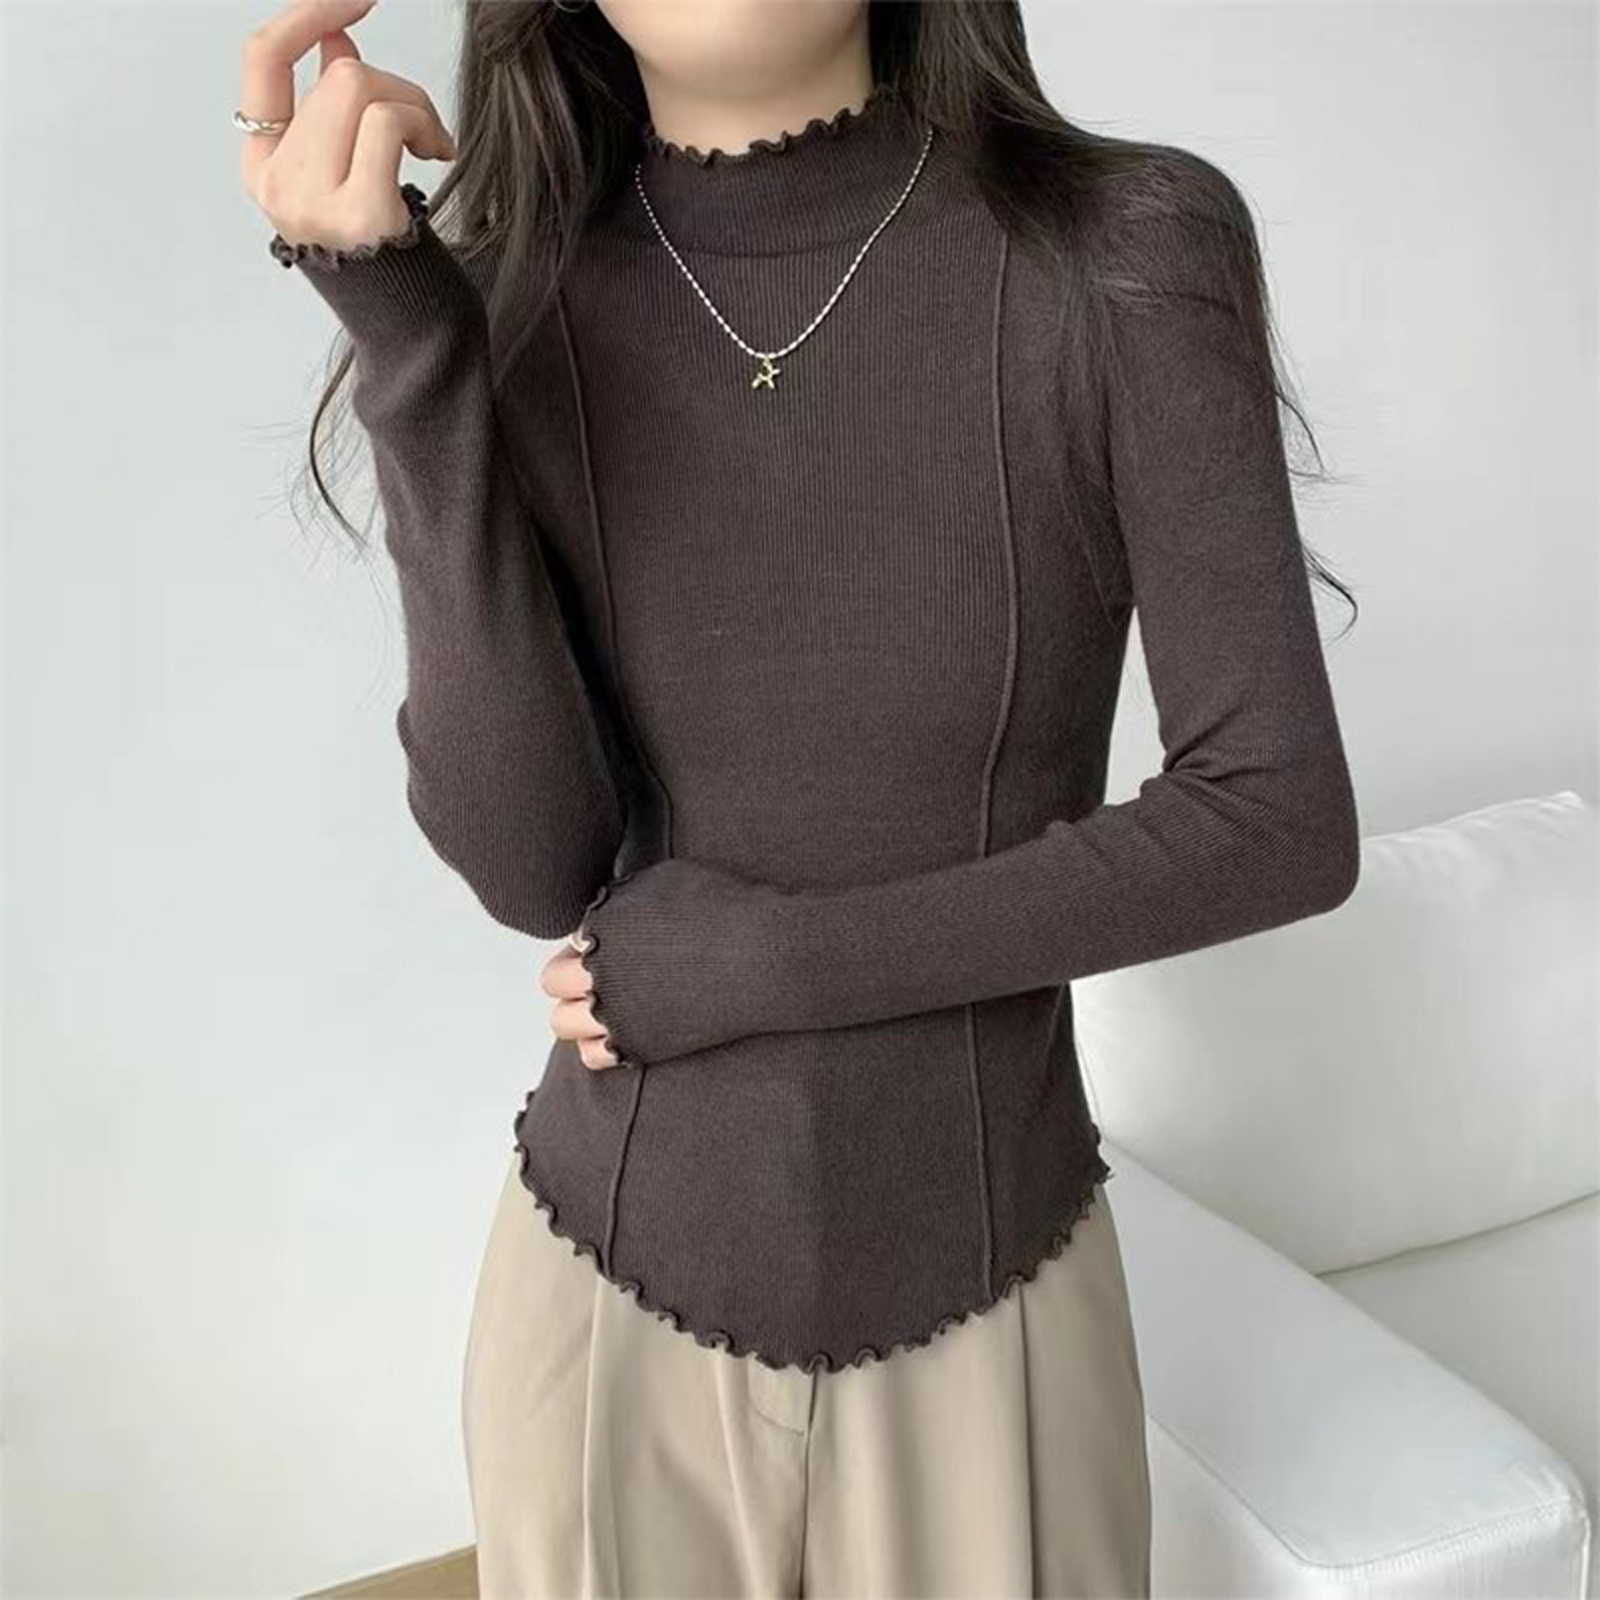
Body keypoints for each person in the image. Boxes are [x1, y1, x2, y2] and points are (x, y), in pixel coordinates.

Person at [240, 0, 1361, 1593]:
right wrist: (405, 327)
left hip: (989, 1304)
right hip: (601, 1307)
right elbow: (532, 862)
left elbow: (1275, 817)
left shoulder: (1126, 246)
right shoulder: (513, 300)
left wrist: (776, 965)